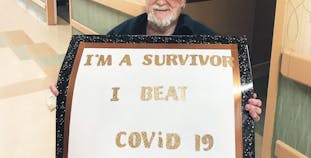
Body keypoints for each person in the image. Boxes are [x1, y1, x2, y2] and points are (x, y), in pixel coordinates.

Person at [50, 0, 262, 121]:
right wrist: (69, 92)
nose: (161, 1)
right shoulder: (116, 39)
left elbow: (225, 99)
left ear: (183, 2)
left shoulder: (213, 46)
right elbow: (97, 89)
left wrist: (244, 109)